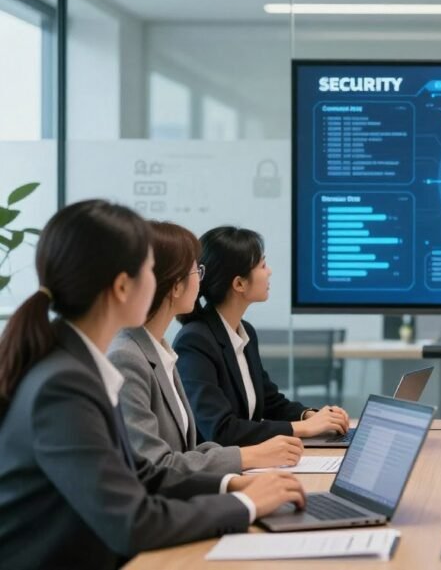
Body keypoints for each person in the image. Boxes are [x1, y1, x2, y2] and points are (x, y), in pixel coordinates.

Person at [0, 201, 305, 570]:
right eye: (149, 269)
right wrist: (247, 504)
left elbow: (141, 473)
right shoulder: (64, 385)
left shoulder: (77, 365)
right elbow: (133, 522)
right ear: (122, 287)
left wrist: (232, 486)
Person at [109, 221, 304, 474]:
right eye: (195, 272)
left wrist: (237, 478)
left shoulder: (159, 350)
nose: (201, 281)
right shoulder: (130, 357)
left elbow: (186, 450)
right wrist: (248, 458)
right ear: (175, 286)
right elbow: (155, 466)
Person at [174, 226, 349, 446]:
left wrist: (310, 416)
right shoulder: (195, 341)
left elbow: (270, 401)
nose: (269, 272)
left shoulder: (244, 331)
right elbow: (220, 430)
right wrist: (302, 428)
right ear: (239, 283)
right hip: (221, 473)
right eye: (262, 265)